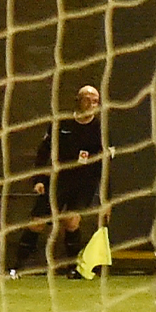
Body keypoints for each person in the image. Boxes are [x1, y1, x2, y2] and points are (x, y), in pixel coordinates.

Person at [11, 85, 106, 279]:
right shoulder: (61, 124)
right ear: (78, 100)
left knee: (71, 221)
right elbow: (43, 152)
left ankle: (73, 268)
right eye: (87, 99)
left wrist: (104, 194)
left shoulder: (100, 130)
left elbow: (103, 164)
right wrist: (38, 179)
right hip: (57, 180)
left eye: (95, 100)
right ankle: (16, 268)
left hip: (83, 183)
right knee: (37, 223)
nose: (91, 104)